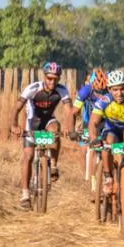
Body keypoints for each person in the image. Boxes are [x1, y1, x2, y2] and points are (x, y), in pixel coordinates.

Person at [88, 69, 124, 228]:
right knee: (108, 141)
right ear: (109, 90)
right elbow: (93, 122)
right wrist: (94, 138)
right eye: (115, 89)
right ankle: (108, 178)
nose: (119, 93)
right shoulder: (104, 101)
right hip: (112, 131)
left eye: (122, 88)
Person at [11, 62, 72, 209]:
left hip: (48, 121)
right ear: (44, 76)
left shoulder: (62, 90)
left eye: (55, 79)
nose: (52, 82)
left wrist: (69, 127)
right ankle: (25, 195)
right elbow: (17, 107)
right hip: (32, 123)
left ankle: (54, 166)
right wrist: (14, 125)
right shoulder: (33, 88)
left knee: (55, 129)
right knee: (28, 156)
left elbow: (69, 111)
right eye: (50, 78)